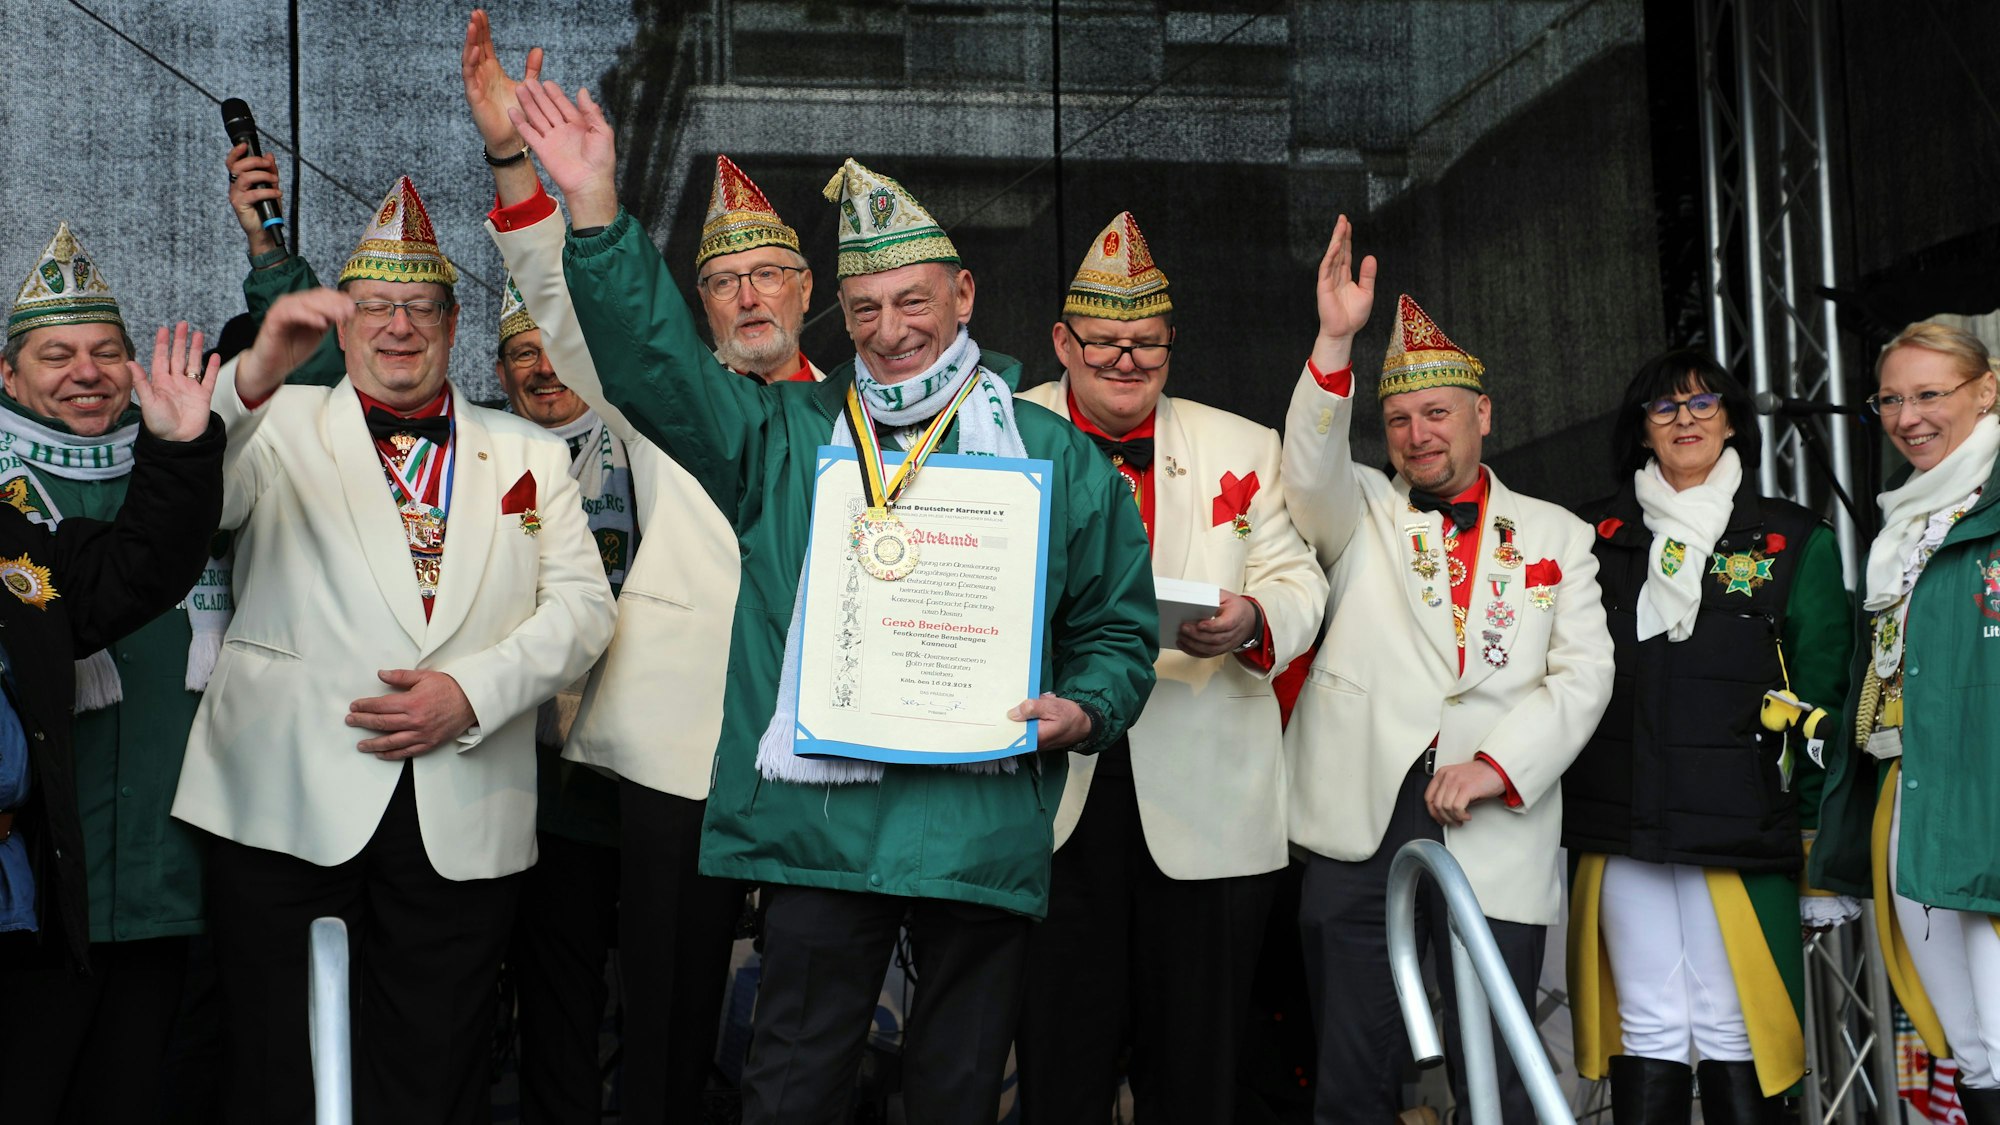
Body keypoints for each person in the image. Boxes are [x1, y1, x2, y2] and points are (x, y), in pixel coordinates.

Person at [503, 75, 1157, 1124]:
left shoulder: (1053, 456)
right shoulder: (783, 434)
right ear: (837, 314)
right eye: (865, 310)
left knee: (955, 1093)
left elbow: (1117, 631)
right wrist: (593, 211)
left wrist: (1086, 708)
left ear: (964, 296)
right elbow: (656, 366)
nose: (890, 330)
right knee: (790, 1088)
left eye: (912, 303)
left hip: (975, 821)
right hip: (818, 827)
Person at [169, 174, 616, 1125]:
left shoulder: (526, 456)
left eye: (420, 307)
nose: (398, 327)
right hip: (283, 797)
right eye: (374, 307)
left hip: (464, 797)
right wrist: (250, 377)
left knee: (438, 1062)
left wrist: (473, 690)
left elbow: (583, 608)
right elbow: (189, 503)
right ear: (342, 326)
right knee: (276, 1065)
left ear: (454, 326)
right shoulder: (275, 424)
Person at [462, 15, 770, 1114]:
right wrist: (517, 165)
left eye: (770, 272)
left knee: (824, 1007)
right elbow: (565, 312)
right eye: (724, 278)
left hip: (840, 749)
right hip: (679, 747)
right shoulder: (667, 401)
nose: (749, 295)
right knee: (668, 1015)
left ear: (804, 285)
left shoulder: (865, 408)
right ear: (697, 303)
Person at [1280, 217, 1614, 1125]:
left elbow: (1583, 675)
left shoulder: (1557, 533)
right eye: (1398, 419)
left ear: (1483, 415)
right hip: (1362, 815)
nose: (1418, 434)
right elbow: (1306, 470)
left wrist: (1499, 765)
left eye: (1437, 414)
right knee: (1351, 1064)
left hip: (1496, 810)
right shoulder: (1360, 513)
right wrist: (1335, 339)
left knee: (1496, 1063)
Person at [1013, 211, 1326, 1123]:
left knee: (1197, 1077)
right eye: (1104, 341)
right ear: (1063, 342)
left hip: (1205, 805)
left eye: (1146, 342)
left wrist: (1253, 616)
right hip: (1048, 787)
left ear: (1172, 343)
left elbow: (1299, 578)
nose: (1125, 359)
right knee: (1058, 1066)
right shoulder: (1000, 428)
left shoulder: (1245, 446)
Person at [1563, 348, 1852, 1125]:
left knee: (1737, 1032)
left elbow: (1824, 696)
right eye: (1665, 407)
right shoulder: (1587, 537)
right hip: (1622, 821)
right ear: (1641, 430)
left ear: (1730, 420)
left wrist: (1817, 836)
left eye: (1702, 404)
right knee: (1649, 1029)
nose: (1685, 419)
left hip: (1742, 826)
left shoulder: (1794, 542)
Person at [0, 225, 234, 1123]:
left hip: (161, 885)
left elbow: (127, 579)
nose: (84, 371)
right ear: (9, 377)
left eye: (105, 351)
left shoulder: (184, 467)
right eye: (55, 354)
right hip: (29, 895)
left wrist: (179, 444)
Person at [1811, 322, 2000, 1125]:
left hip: (1986, 798)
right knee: (1971, 1045)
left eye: (1930, 394)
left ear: (1987, 391)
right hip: (1908, 797)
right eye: (1890, 397)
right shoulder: (1899, 522)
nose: (1907, 415)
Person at [488, 275, 629, 1123]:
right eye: (520, 353)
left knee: (578, 989)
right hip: (487, 761)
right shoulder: (476, 448)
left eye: (556, 350)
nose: (541, 369)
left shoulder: (643, 450)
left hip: (604, 779)